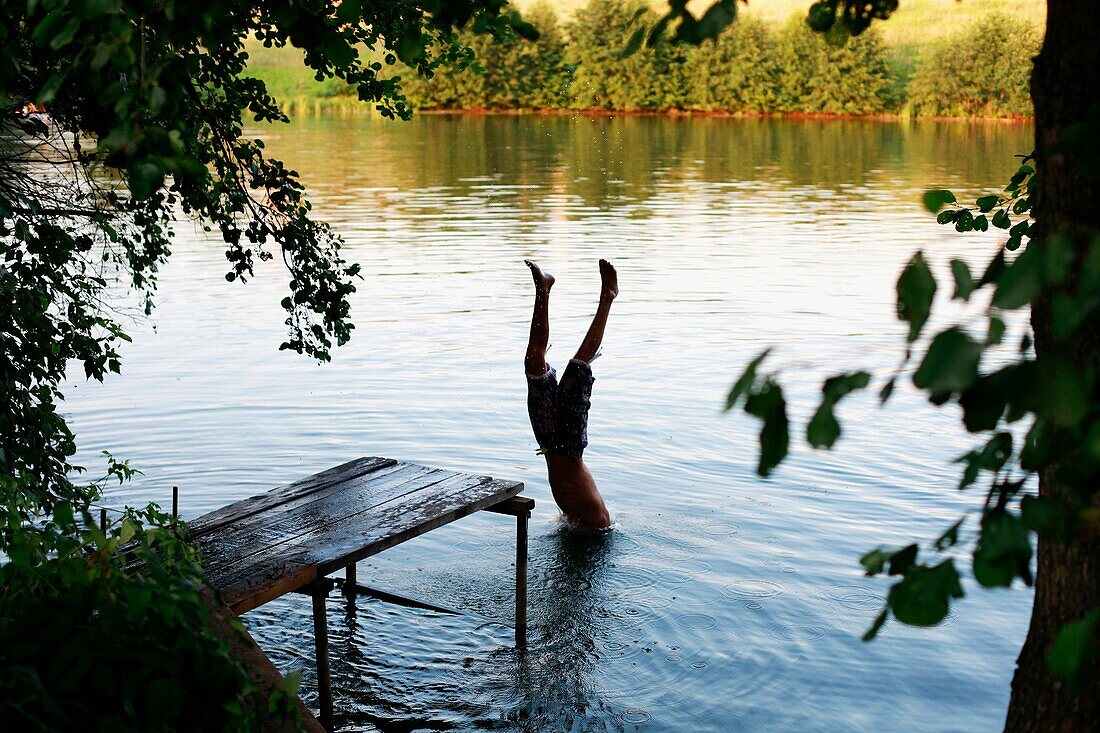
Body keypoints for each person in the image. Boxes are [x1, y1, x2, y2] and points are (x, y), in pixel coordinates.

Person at [523, 258, 617, 530]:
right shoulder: (599, 523)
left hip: (550, 442)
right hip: (569, 443)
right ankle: (608, 296)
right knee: (579, 363)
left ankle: (543, 290)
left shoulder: (589, 523)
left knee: (533, 364)